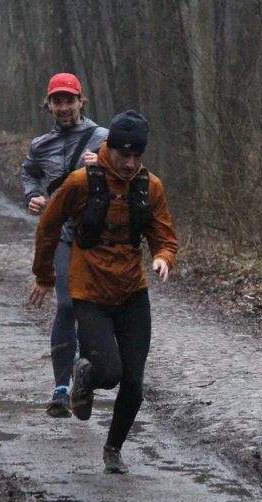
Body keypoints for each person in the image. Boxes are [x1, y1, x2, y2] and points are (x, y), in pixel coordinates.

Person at [30, 111, 178, 474]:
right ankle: (84, 375)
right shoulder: (81, 183)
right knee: (109, 372)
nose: (129, 164)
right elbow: (48, 228)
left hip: (132, 291)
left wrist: (163, 257)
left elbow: (164, 235)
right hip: (90, 291)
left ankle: (113, 449)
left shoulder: (150, 186)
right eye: (122, 155)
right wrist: (44, 274)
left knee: (134, 382)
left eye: (136, 156)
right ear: (108, 147)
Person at [20, 73, 108, 418]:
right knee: (67, 305)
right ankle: (60, 390)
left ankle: (84, 372)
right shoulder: (40, 145)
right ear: (49, 105)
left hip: (96, 234)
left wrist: (101, 167)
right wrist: (33, 196)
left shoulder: (102, 138)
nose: (63, 107)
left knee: (93, 306)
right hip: (60, 233)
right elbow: (28, 173)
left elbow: (126, 178)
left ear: (80, 102)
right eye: (57, 101)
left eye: (69, 100)